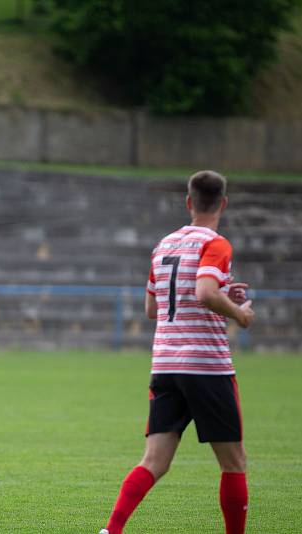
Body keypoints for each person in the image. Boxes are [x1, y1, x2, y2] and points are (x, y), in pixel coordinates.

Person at [99, 170, 255, 534]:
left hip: (166, 364)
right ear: (223, 204)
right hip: (207, 366)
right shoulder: (216, 244)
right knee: (234, 463)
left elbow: (153, 309)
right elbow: (203, 291)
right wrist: (240, 313)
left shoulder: (165, 244)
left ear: (189, 202)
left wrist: (220, 297)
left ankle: (111, 530)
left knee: (154, 461)